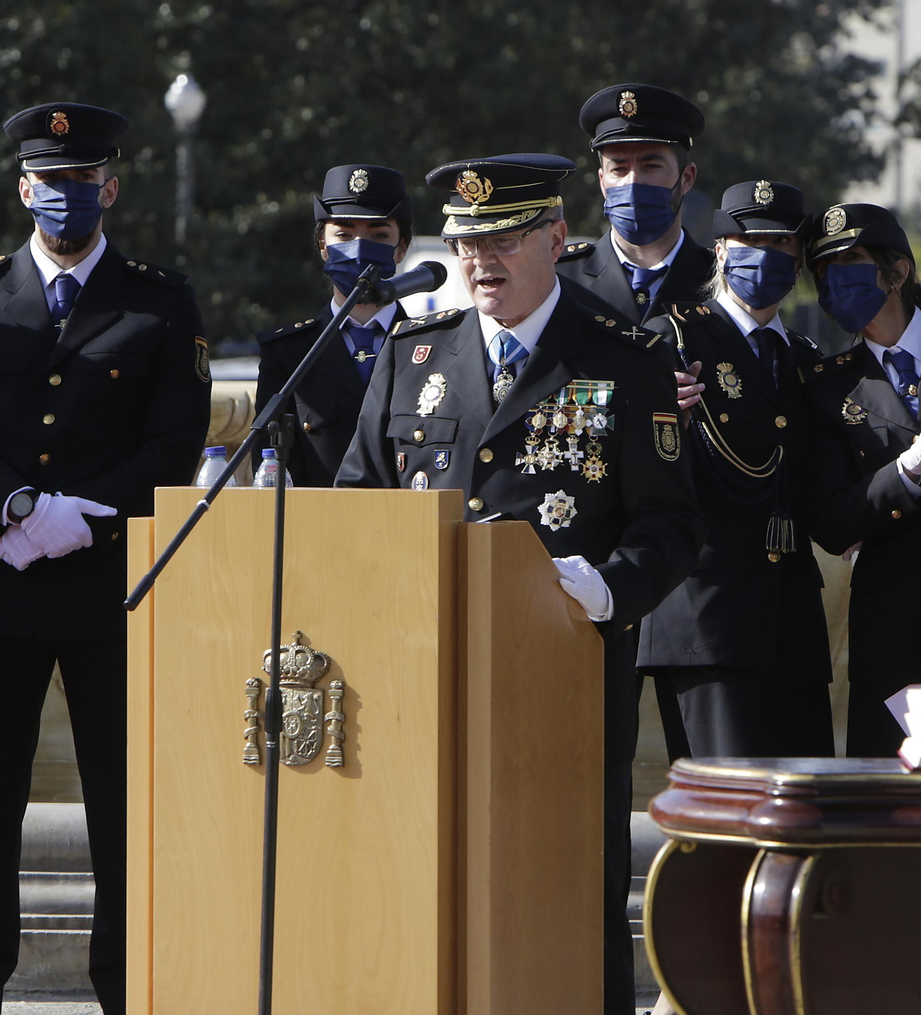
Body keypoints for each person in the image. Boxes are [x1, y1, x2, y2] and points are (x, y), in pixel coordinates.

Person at [336, 153, 703, 1015]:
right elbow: (359, 501)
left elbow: (672, 525)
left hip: (560, 678)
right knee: (423, 891)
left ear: (555, 237)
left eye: (502, 239)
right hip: (420, 680)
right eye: (466, 241)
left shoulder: (623, 357)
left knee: (569, 894)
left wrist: (609, 589)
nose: (478, 261)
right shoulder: (411, 354)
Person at [0, 101, 210, 1015]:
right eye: (49, 182)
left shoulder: (160, 303)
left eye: (82, 182)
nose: (65, 196)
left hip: (110, 586)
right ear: (23, 188)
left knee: (124, 812)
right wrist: (14, 506)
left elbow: (175, 443)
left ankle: (130, 991)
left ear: (109, 188)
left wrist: (84, 518)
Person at [638, 180, 834, 759]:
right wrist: (658, 415)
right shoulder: (671, 338)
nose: (766, 255)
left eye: (781, 243)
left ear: (799, 258)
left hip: (791, 623)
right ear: (721, 248)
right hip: (709, 618)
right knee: (727, 821)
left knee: (804, 813)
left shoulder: (803, 358)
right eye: (750, 239)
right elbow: (640, 469)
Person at [802, 203, 921, 756]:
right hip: (898, 627)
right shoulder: (828, 387)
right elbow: (832, 522)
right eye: (823, 269)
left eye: (851, 259)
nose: (836, 277)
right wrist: (906, 471)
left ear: (898, 270)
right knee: (895, 803)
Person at [254, 164, 413, 486]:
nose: (359, 248)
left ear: (402, 249)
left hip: (410, 528)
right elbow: (271, 470)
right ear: (323, 247)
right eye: (343, 234)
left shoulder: (437, 346)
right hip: (317, 528)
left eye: (379, 235)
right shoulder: (289, 353)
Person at [558, 83, 713, 325]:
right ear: (602, 181)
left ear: (687, 178)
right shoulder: (559, 279)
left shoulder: (721, 281)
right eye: (618, 169)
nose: (633, 181)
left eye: (651, 166)